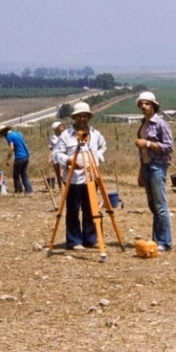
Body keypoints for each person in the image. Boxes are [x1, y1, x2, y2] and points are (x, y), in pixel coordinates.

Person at [52, 101, 107, 251]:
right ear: (74, 117)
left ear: (89, 117)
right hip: (73, 179)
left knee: (91, 209)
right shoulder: (66, 135)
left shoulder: (95, 134)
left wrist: (97, 158)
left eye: (85, 116)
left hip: (91, 177)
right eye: (79, 116)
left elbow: (103, 146)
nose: (82, 119)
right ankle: (74, 240)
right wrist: (69, 161)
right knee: (73, 210)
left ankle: (91, 239)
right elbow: (56, 154)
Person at [134, 91, 174, 252]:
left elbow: (169, 147)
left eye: (147, 103)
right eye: (141, 104)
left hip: (157, 166)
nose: (144, 106)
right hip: (147, 166)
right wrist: (140, 172)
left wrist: (148, 144)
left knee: (160, 205)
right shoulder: (143, 124)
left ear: (153, 105)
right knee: (153, 204)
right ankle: (157, 239)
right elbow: (141, 151)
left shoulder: (161, 124)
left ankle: (165, 241)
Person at [0, 125, 34, 194]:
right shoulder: (17, 133)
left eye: (2, 134)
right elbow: (24, 143)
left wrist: (8, 159)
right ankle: (29, 190)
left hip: (19, 157)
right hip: (26, 156)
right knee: (24, 174)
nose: (3, 136)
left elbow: (11, 148)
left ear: (4, 132)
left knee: (16, 175)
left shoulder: (9, 136)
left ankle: (18, 190)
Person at [48, 121, 65, 188]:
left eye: (61, 126)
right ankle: (61, 188)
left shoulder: (65, 135)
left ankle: (66, 186)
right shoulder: (51, 137)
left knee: (62, 173)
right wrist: (49, 158)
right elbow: (50, 148)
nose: (61, 127)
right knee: (57, 173)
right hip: (55, 156)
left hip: (63, 155)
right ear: (55, 129)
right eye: (59, 126)